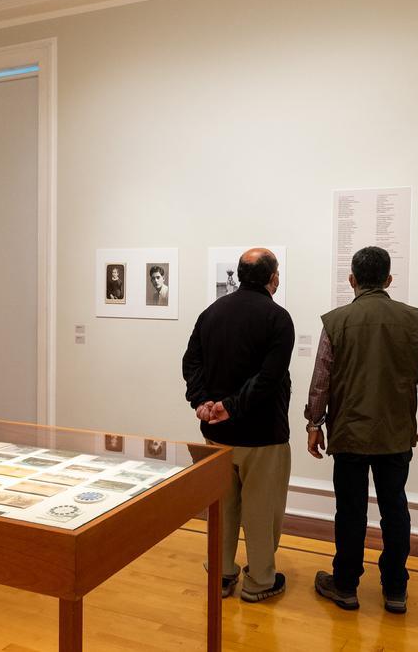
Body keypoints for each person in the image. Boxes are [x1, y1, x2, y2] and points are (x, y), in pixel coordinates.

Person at [305, 245, 418, 615]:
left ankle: (346, 585)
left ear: (352, 280)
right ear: (389, 280)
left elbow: (321, 380)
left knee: (349, 512)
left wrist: (314, 424)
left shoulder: (336, 321)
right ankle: (395, 589)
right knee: (395, 509)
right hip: (395, 433)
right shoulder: (412, 319)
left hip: (349, 434)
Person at [182, 248, 294, 603]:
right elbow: (269, 379)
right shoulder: (278, 318)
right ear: (273, 278)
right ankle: (260, 581)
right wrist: (231, 407)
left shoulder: (210, 313)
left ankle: (223, 573)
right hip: (261, 436)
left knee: (222, 508)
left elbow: (191, 362)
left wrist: (202, 403)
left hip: (215, 434)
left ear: (240, 275)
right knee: (261, 510)